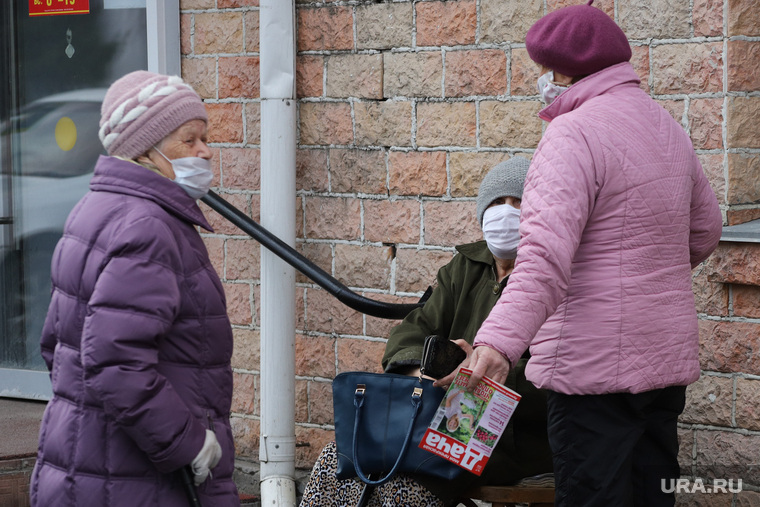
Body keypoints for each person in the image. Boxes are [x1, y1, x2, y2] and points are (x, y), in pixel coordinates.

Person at [451, 2, 723, 506]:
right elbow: (706, 231)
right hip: (663, 364)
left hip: (591, 376)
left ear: (562, 70)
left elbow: (542, 265)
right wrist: (644, 276)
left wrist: (497, 345)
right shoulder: (666, 127)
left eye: (544, 71)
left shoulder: (571, 134)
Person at [29, 71, 239, 506]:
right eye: (189, 139)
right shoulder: (149, 226)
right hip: (139, 477)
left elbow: (57, 345)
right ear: (146, 148)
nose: (205, 151)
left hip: (93, 459)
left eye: (204, 138)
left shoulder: (95, 209)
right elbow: (115, 360)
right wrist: (189, 443)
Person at [300, 157, 553, 507]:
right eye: (497, 203)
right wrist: (431, 369)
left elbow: (557, 370)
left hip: (506, 435)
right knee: (339, 460)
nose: (506, 213)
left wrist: (483, 373)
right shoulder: (464, 266)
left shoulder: (551, 275)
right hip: (433, 414)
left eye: (518, 203)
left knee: (398, 488)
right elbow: (409, 334)